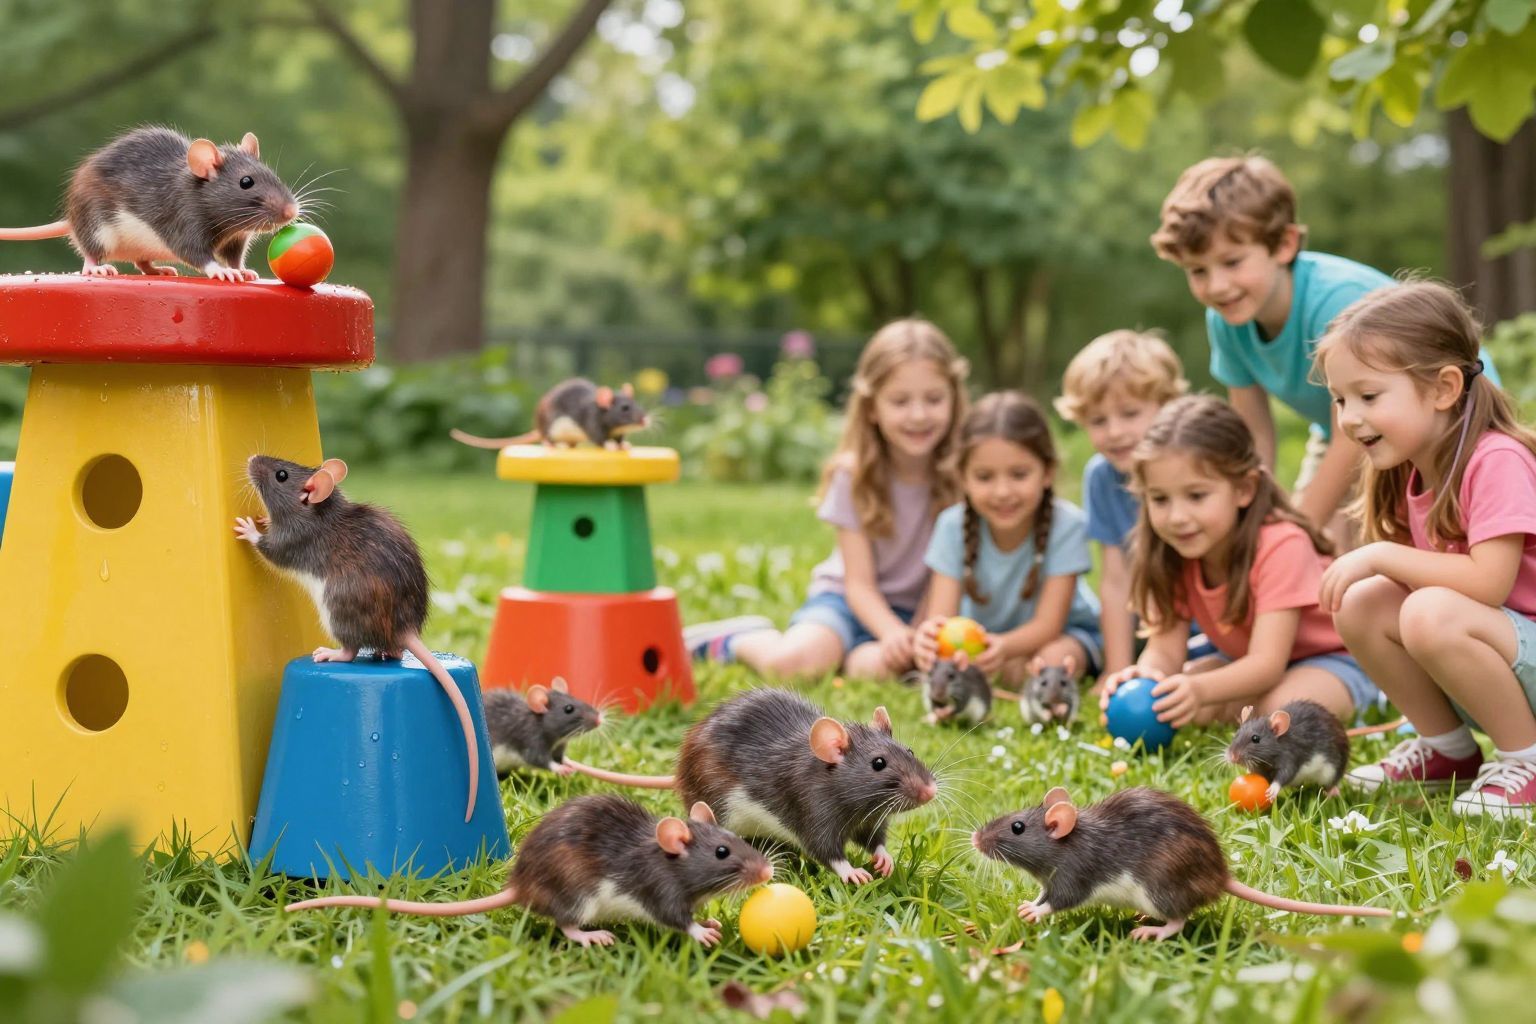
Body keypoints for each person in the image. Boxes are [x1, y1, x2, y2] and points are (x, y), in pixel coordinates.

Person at [1320, 282, 1536, 819]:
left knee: (1428, 610)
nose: (1349, 417)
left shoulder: (1497, 459)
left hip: (1518, 649)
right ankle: (1447, 751)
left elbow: (1489, 583)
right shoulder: (1410, 471)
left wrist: (1379, 555)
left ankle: (1526, 761)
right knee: (1362, 602)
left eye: (1369, 396)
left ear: (1443, 388)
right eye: (1341, 399)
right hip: (1502, 663)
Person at [686, 318, 968, 679]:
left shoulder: (966, 476)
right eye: (900, 401)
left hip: (920, 613)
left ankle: (850, 658)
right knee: (793, 665)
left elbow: (946, 578)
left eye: (934, 399)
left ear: (954, 399)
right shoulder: (854, 475)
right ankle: (736, 640)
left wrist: (917, 635)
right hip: (846, 603)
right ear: (871, 407)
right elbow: (858, 585)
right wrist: (892, 633)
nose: (918, 415)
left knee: (884, 670)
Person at [1100, 395, 1378, 728]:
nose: (1176, 517)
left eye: (1196, 496)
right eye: (1159, 499)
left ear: (1244, 489)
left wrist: (1200, 690)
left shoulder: (1281, 544)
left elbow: (1267, 664)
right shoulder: (1171, 552)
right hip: (1242, 660)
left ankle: (1373, 694)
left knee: (1279, 713)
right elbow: (1166, 651)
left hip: (1332, 660)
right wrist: (1145, 679)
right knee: (1176, 698)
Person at [914, 392, 1101, 685]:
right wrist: (930, 640)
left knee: (1049, 662)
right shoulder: (951, 526)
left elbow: (1048, 625)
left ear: (1047, 472)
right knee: (993, 671)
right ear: (963, 478)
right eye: (985, 477)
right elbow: (942, 618)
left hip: (1063, 636)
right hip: (983, 645)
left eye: (1019, 474)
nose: (1002, 492)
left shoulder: (1066, 525)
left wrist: (1003, 647)